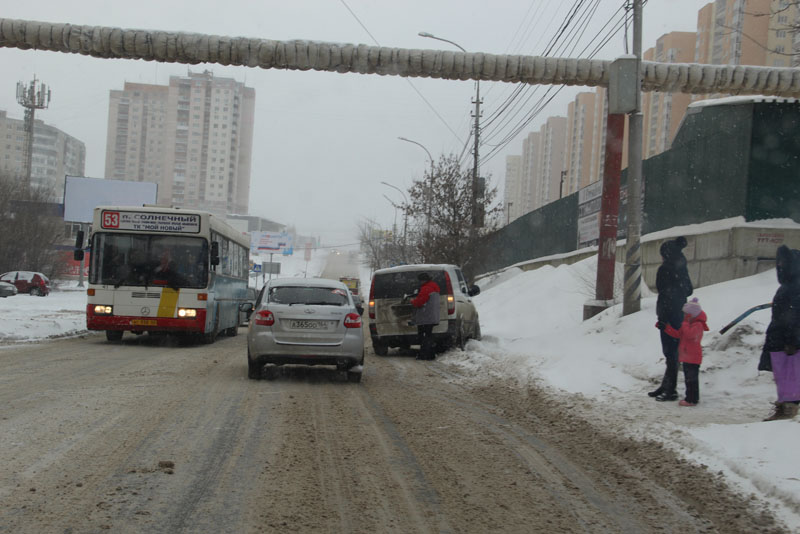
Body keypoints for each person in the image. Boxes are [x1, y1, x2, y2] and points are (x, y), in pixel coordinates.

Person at [650, 236, 693, 402]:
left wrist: (663, 317)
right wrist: (678, 293)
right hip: (679, 313)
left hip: (668, 315)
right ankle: (667, 385)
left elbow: (663, 293)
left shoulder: (665, 269)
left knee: (670, 352)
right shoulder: (682, 267)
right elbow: (689, 290)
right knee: (673, 351)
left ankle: (671, 389)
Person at [760, 245, 800, 421]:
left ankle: (788, 409)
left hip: (787, 341)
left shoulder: (794, 286)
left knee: (789, 376)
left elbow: (794, 316)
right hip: (781, 339)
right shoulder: (789, 285)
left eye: (784, 262)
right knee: (784, 376)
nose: (780, 266)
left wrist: (792, 340)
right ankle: (785, 406)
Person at [657, 297, 708, 406]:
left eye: (686, 314)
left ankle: (692, 399)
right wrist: (665, 328)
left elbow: (690, 335)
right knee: (688, 379)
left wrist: (684, 324)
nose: (684, 316)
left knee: (692, 380)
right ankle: (690, 397)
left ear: (691, 315)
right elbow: (678, 334)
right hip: (686, 356)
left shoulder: (698, 325)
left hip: (693, 357)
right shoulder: (689, 325)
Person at [410, 272, 441, 361]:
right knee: (428, 335)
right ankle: (431, 354)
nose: (420, 282)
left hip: (425, 317)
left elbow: (420, 302)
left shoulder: (426, 289)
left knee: (423, 337)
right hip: (432, 316)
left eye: (420, 280)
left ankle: (424, 355)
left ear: (423, 280)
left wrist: (412, 301)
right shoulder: (434, 287)